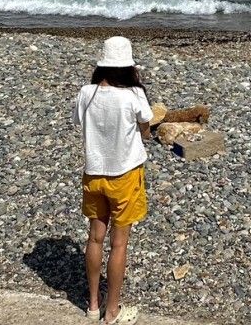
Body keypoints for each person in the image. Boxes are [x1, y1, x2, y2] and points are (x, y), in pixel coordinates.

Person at [72, 36, 153, 324]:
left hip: (94, 173)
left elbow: (79, 122)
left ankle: (93, 304)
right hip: (125, 175)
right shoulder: (133, 95)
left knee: (95, 237)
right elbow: (146, 129)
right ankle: (112, 311)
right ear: (128, 66)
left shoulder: (86, 93)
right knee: (119, 244)